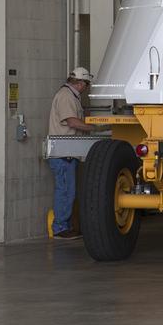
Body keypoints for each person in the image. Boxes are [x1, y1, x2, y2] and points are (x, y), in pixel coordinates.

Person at [48, 66, 104, 240]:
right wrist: (94, 129)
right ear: (80, 83)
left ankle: (66, 226)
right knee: (65, 191)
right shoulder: (66, 96)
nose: (86, 88)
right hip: (62, 154)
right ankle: (60, 228)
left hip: (67, 153)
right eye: (86, 84)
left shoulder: (71, 96)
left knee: (68, 191)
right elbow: (72, 122)